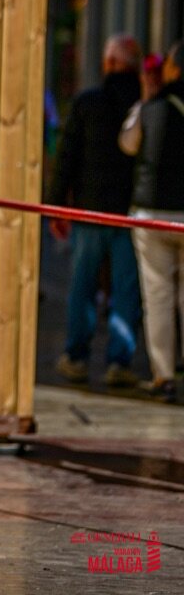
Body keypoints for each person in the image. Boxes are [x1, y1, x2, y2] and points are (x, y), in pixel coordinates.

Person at [48, 34, 143, 386]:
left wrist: (56, 205)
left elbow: (66, 158)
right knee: (126, 290)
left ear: (109, 64)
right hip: (130, 214)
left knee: (83, 286)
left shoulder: (88, 102)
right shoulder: (143, 104)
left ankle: (76, 357)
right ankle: (120, 361)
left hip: (89, 211)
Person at [119, 41, 184, 403]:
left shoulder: (151, 107)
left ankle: (164, 376)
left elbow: (128, 143)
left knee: (158, 295)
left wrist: (146, 97)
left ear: (172, 69)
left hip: (152, 214)